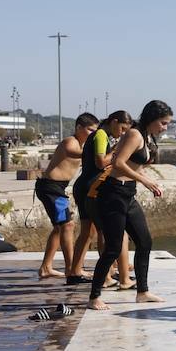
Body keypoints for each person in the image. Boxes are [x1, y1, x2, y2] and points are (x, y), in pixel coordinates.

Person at [88, 99, 172, 310]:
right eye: (163, 123)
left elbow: (134, 165)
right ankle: (94, 296)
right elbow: (117, 163)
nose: (165, 127)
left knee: (145, 242)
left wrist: (150, 183)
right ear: (152, 119)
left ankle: (142, 292)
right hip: (113, 194)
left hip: (127, 194)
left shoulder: (146, 136)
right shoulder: (134, 134)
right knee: (113, 249)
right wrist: (144, 180)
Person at [66, 110, 134, 287]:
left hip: (84, 186)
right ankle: (107, 275)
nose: (123, 133)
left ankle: (75, 272)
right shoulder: (101, 134)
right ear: (114, 121)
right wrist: (118, 152)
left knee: (88, 232)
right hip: (92, 187)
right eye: (123, 128)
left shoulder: (100, 135)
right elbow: (101, 162)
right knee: (103, 231)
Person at [36, 113, 99, 280]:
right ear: (78, 128)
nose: (93, 133)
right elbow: (75, 153)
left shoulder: (83, 144)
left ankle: (46, 267)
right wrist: (97, 152)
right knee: (68, 226)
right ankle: (71, 268)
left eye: (95, 131)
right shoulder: (70, 141)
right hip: (51, 187)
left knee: (59, 228)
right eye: (90, 130)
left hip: (57, 188)